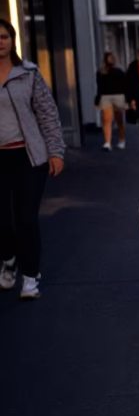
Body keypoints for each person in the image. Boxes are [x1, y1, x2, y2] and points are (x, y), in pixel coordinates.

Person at [0, 18, 65, 300]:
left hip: (28, 156)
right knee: (3, 221)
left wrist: (56, 152)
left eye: (3, 36)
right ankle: (9, 258)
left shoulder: (28, 73)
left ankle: (29, 277)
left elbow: (47, 113)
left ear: (12, 40)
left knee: (26, 219)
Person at [95, 52, 128, 151]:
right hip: (106, 97)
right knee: (106, 120)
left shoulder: (119, 71)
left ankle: (121, 140)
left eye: (111, 58)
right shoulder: (101, 72)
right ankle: (107, 143)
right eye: (108, 58)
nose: (110, 60)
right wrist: (97, 100)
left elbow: (125, 85)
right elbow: (99, 87)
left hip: (119, 96)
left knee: (119, 120)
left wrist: (127, 98)